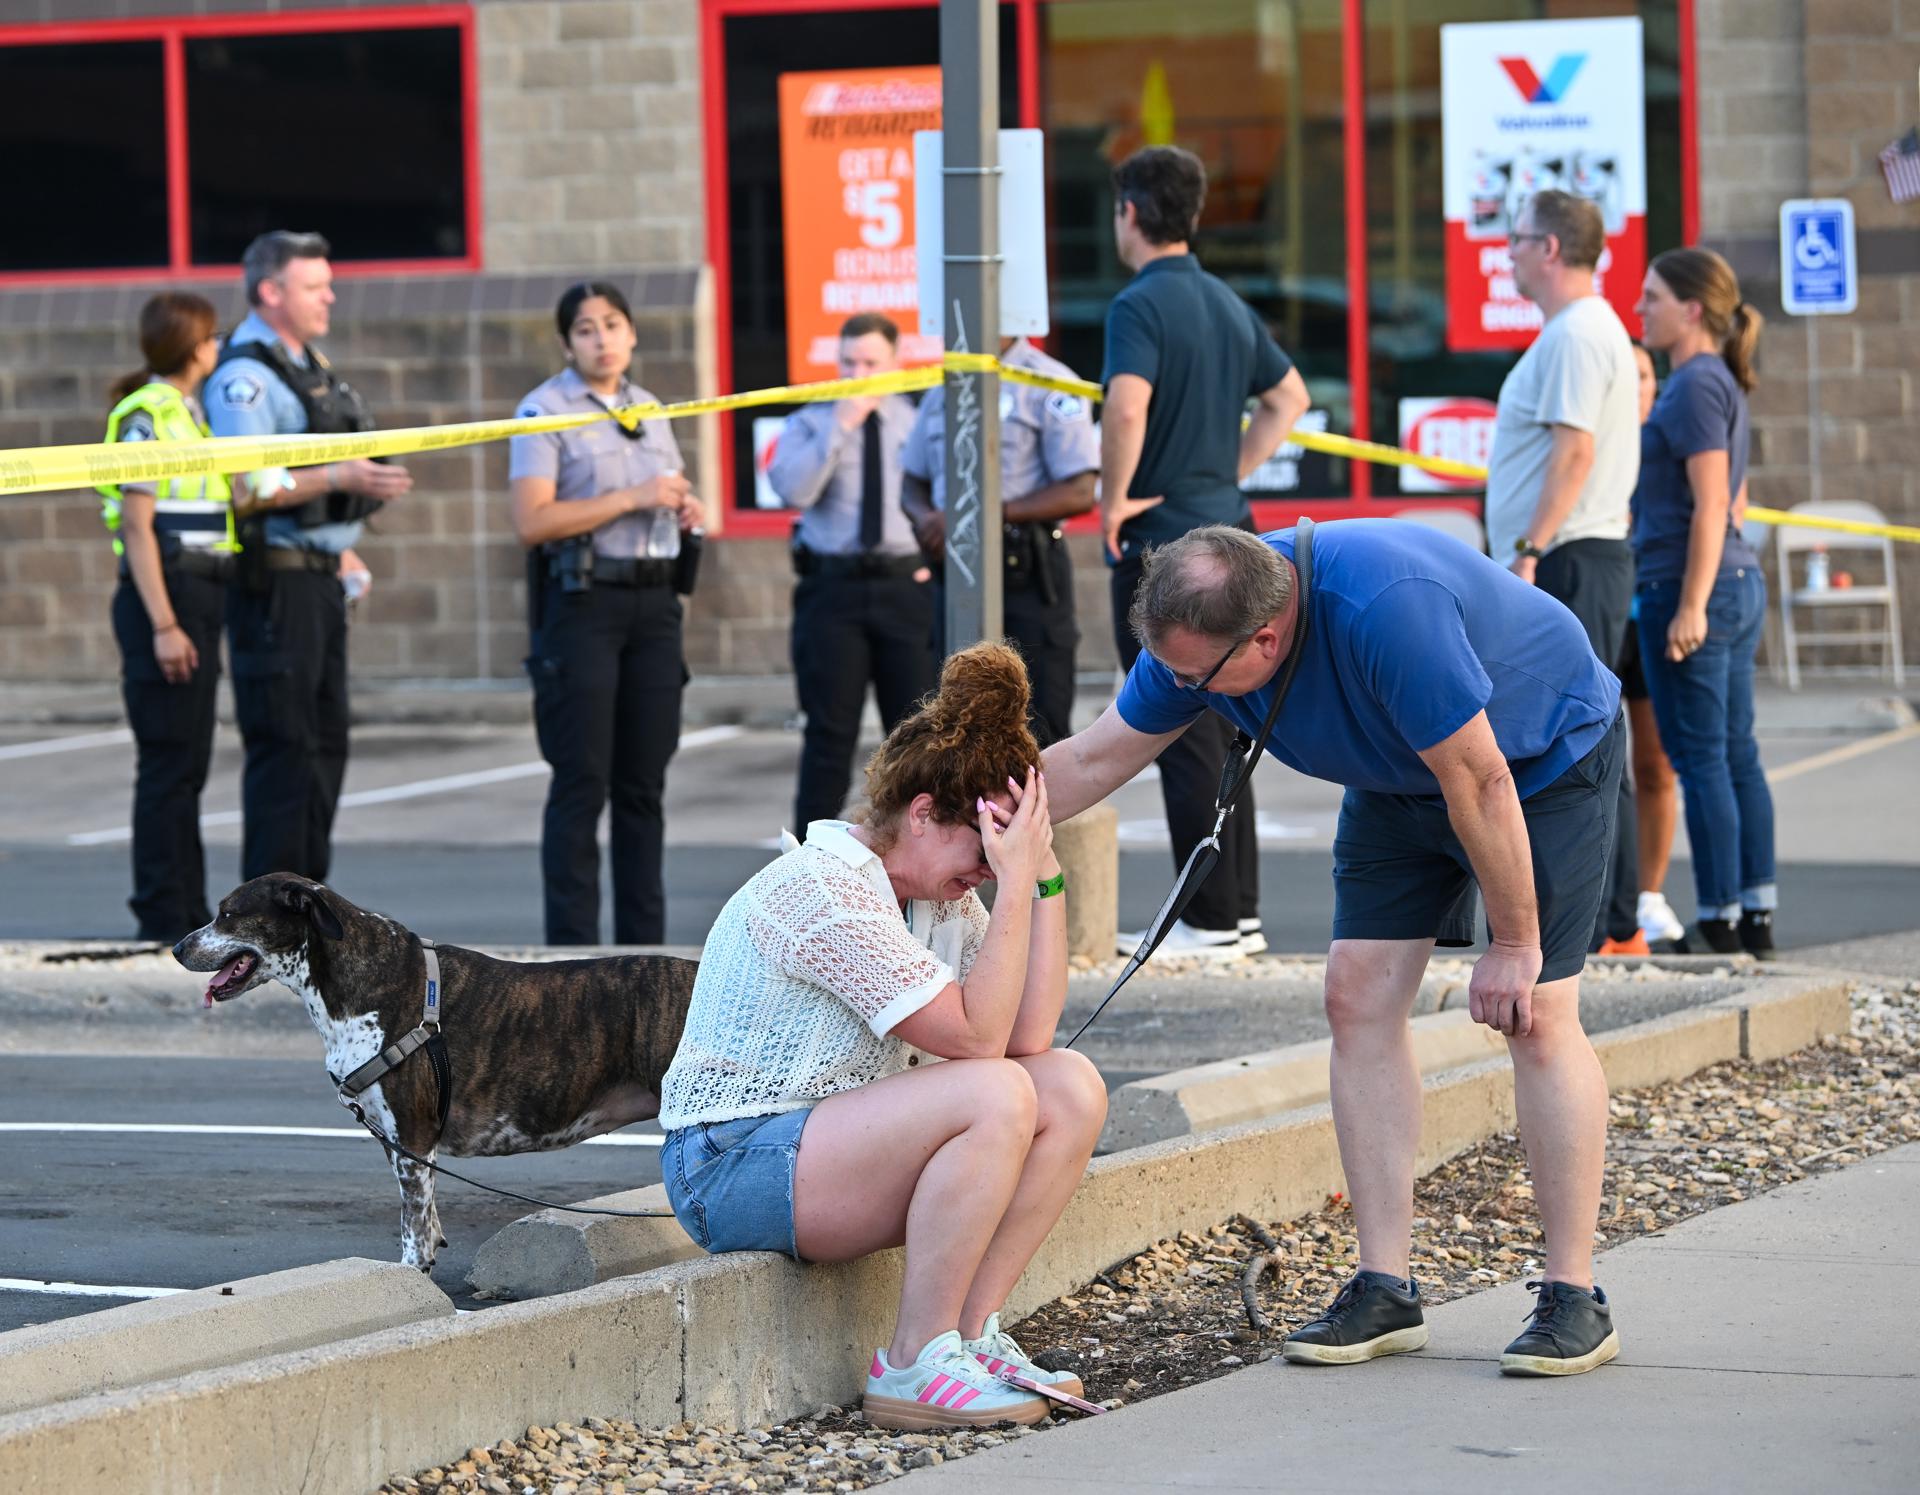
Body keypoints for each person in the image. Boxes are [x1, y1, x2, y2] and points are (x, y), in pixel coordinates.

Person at [1041, 521, 1625, 1377]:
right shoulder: (1200, 631)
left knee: (1534, 1014)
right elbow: (1093, 758)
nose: (1176, 688)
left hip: (1536, 765)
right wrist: (957, 834)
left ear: (1267, 636)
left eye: (1193, 676)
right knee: (1356, 994)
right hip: (1399, 779)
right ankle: (1385, 1285)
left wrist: (1513, 941)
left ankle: (1575, 1295)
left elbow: (1480, 778)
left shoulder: (1386, 610)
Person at [658, 643, 1108, 1428]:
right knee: (993, 1089)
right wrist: (1010, 893)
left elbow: (1031, 1032)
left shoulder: (937, 899)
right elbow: (977, 1042)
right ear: (925, 812)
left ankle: (970, 1336)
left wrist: (1043, 875)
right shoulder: (827, 891)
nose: (986, 872)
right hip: (728, 1162)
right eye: (983, 851)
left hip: (818, 1150)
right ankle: (912, 1363)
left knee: (1068, 1084)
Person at [1099, 145, 1311, 960]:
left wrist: (1115, 498)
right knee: (1231, 729)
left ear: (1130, 213)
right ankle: (1238, 912)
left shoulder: (1139, 305)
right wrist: (1228, 472)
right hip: (1232, 534)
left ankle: (1211, 920)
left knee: (1177, 723)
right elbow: (1288, 398)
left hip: (1166, 548)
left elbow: (1125, 409)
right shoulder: (1224, 301)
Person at [208, 230, 413, 883]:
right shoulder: (245, 378)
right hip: (277, 587)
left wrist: (343, 550)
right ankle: (268, 927)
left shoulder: (307, 363)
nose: (330, 294)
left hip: (318, 580)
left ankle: (307, 915)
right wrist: (340, 478)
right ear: (270, 291)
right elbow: (247, 486)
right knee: (286, 754)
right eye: (313, 284)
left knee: (324, 752)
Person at [509, 282, 706, 946]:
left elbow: (665, 487)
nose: (602, 339)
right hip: (584, 604)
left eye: (613, 324)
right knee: (581, 781)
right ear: (567, 342)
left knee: (644, 785)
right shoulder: (544, 410)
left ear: (632, 334)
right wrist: (632, 496)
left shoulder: (648, 407)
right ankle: (570, 953)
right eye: (586, 329)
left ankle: (642, 950)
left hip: (654, 605)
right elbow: (532, 520)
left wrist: (682, 507)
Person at [1485, 189, 1643, 956]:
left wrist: (1527, 547)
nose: (1506, 252)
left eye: (1515, 240)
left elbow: (1573, 450)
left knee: (1579, 739)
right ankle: (1614, 917)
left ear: (1550, 248)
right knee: (1585, 733)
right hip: (1575, 553)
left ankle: (1611, 921)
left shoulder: (1578, 334)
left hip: (1570, 555)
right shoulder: (1576, 330)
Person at [1630, 249, 1776, 960]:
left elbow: (1714, 500)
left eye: (1652, 296)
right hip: (1736, 581)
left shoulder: (1692, 385)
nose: (1640, 307)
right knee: (1736, 754)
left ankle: (1720, 918)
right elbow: (1731, 499)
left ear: (1691, 309)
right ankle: (1755, 911)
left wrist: (1690, 605)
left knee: (1703, 759)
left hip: (1694, 587)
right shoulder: (1720, 381)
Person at [96, 292, 233, 942]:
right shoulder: (146, 416)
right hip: (165, 594)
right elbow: (137, 525)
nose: (217, 346)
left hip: (199, 592)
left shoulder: (187, 413)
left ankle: (187, 910)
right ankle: (159, 912)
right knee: (167, 764)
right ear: (191, 345)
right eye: (211, 337)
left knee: (189, 766)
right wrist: (164, 624)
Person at [768, 313, 937, 831]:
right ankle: (805, 874)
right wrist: (839, 427)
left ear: (896, 362)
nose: (858, 373)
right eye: (848, 362)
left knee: (915, 736)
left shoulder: (916, 421)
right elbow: (792, 491)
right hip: (832, 590)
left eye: (870, 362)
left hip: (904, 586)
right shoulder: (811, 421)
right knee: (827, 735)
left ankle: (911, 865)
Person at [899, 336, 1098, 744]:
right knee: (956, 726)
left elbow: (1079, 490)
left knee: (1038, 725)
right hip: (954, 572)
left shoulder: (1049, 382)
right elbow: (911, 481)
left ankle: (1039, 810)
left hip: (1025, 570)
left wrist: (978, 515)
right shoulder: (945, 385)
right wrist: (927, 522)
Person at [1616, 343, 1688, 952]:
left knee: (1655, 765)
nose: (1636, 384)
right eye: (1627, 373)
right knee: (1598, 763)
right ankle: (1610, 902)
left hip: (1655, 616)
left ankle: (1650, 894)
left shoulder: (1671, 441)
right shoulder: (1601, 442)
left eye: (1644, 374)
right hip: (1608, 612)